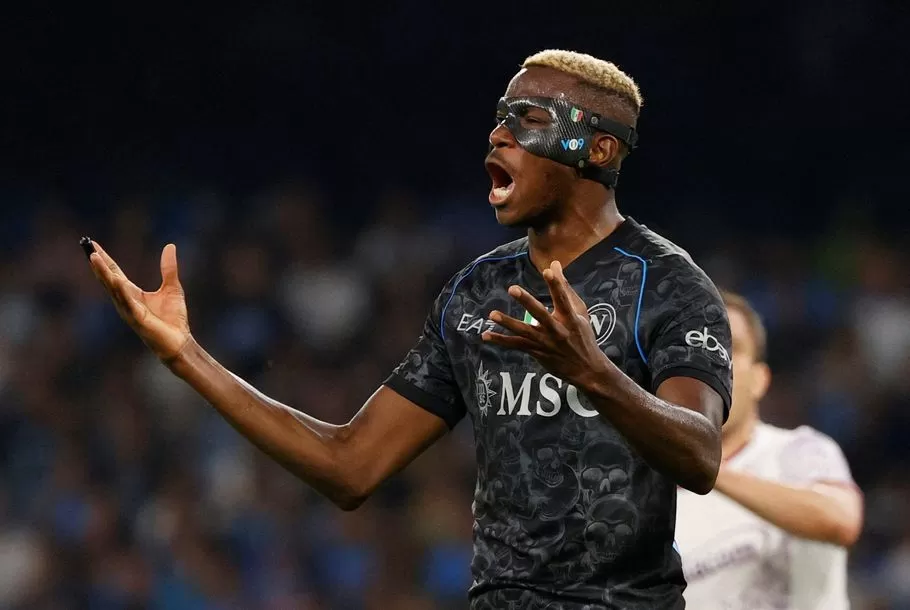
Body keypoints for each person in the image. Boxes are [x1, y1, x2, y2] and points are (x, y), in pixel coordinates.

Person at [83, 49, 733, 609]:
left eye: (530, 119)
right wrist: (187, 356)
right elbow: (350, 466)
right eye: (500, 117)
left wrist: (594, 373)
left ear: (599, 148)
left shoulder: (667, 285)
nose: (498, 136)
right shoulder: (475, 292)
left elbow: (701, 456)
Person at [675, 290, 864, 609]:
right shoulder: (645, 493)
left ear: (760, 379)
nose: (712, 361)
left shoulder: (798, 451)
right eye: (695, 347)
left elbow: (840, 520)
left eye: (728, 347)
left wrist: (707, 468)